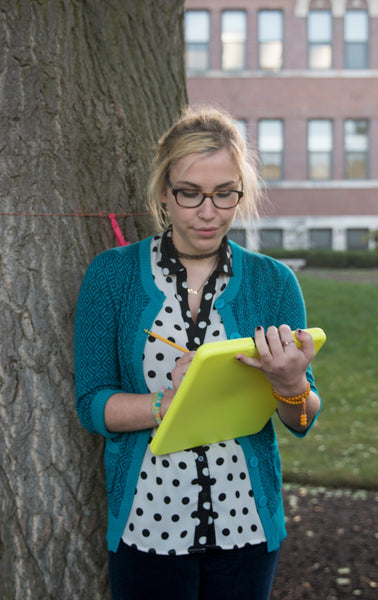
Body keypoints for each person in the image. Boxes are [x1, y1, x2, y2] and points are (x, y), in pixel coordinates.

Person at [74, 105, 322, 600]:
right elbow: (93, 403)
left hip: (247, 527)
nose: (208, 212)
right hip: (147, 525)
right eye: (190, 193)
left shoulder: (274, 283)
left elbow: (301, 421)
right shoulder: (112, 276)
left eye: (224, 194)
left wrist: (291, 385)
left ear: (240, 193)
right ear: (165, 192)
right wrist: (172, 402)